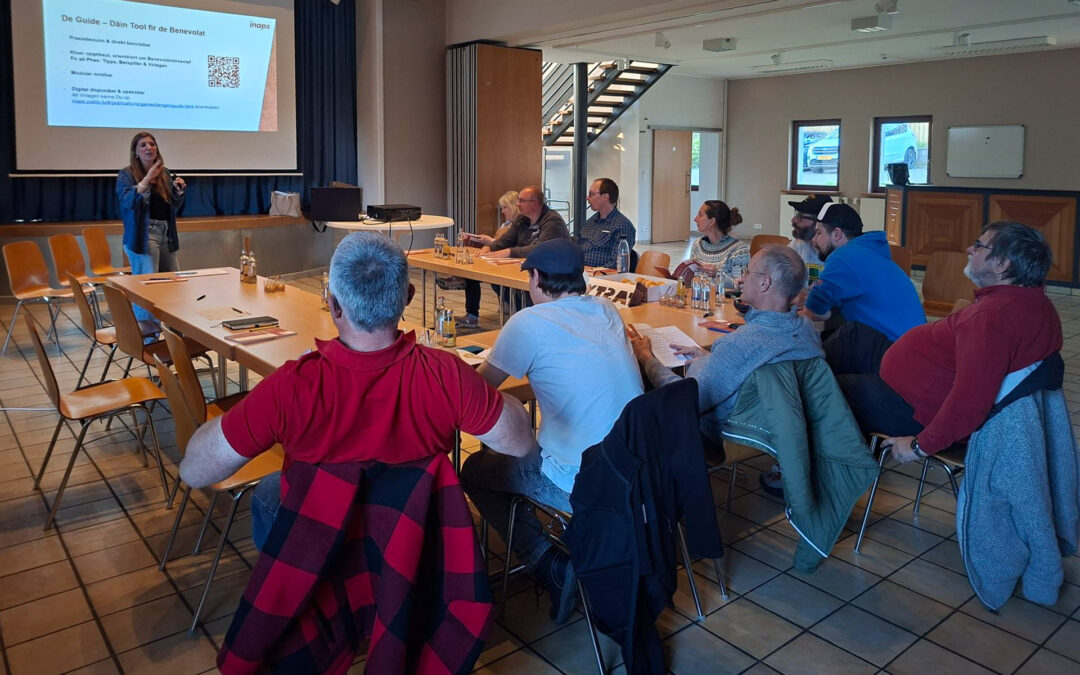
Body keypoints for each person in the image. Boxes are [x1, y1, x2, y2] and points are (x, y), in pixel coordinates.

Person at [180, 232, 538, 551]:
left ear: (333, 305)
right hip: (410, 540)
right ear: (407, 297)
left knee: (272, 490)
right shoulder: (447, 374)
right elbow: (520, 442)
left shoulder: (291, 384)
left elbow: (195, 471)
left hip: (325, 546)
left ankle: (293, 590)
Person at [459, 238, 643, 625]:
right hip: (637, 475)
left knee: (476, 471)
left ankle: (548, 564)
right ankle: (553, 536)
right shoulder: (607, 310)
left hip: (582, 482)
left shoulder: (529, 323)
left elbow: (479, 390)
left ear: (538, 278)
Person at [849, 221, 1063, 462]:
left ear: (1002, 264)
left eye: (979, 246)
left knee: (827, 391)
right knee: (853, 336)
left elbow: (970, 400)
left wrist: (920, 446)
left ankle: (846, 468)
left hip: (916, 408)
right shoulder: (1036, 303)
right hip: (925, 381)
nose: (970, 250)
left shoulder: (992, 319)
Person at [630, 246, 823, 443]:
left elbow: (683, 398)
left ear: (764, 282)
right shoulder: (807, 329)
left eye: (747, 271)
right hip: (785, 429)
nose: (742, 277)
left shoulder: (742, 343)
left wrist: (647, 359)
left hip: (730, 434)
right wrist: (711, 358)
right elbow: (755, 366)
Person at [801, 202, 925, 371]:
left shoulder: (843, 257)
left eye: (819, 233)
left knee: (809, 366)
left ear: (836, 234)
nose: (814, 240)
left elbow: (815, 312)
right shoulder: (869, 251)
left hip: (895, 358)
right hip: (913, 351)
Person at [456, 185, 570, 328]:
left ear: (535, 204)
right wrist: (489, 247)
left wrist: (509, 252)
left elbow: (541, 249)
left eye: (521, 201)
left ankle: (531, 319)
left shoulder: (552, 221)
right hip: (521, 265)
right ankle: (520, 316)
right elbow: (505, 240)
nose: (518, 204)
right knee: (494, 278)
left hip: (548, 271)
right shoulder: (522, 219)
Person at [116, 131, 186, 325]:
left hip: (166, 233)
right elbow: (128, 201)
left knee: (173, 283)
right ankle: (148, 337)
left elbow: (170, 206)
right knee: (147, 287)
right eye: (143, 145)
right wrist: (147, 179)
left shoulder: (165, 173)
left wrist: (178, 191)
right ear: (136, 152)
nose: (149, 148)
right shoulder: (127, 174)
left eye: (152, 144)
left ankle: (173, 331)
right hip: (143, 234)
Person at [457, 190, 519, 329]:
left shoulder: (519, 226)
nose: (503, 211)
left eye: (505, 207)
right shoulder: (506, 225)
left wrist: (489, 241)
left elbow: (511, 245)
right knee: (471, 274)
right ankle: (472, 315)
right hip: (495, 259)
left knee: (493, 280)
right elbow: (500, 242)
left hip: (507, 263)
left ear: (514, 206)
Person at [681, 200, 749, 284]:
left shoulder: (740, 251)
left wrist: (717, 274)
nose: (695, 219)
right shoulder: (697, 245)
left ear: (712, 221)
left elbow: (741, 287)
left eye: (700, 215)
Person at [579, 177, 636, 269]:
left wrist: (593, 272)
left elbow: (618, 263)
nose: (587, 198)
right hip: (579, 272)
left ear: (605, 197)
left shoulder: (621, 225)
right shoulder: (590, 222)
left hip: (601, 276)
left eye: (591, 194)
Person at [787, 193, 829, 278]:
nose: (793, 220)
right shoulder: (796, 245)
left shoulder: (836, 253)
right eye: (796, 214)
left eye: (800, 217)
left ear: (819, 223)